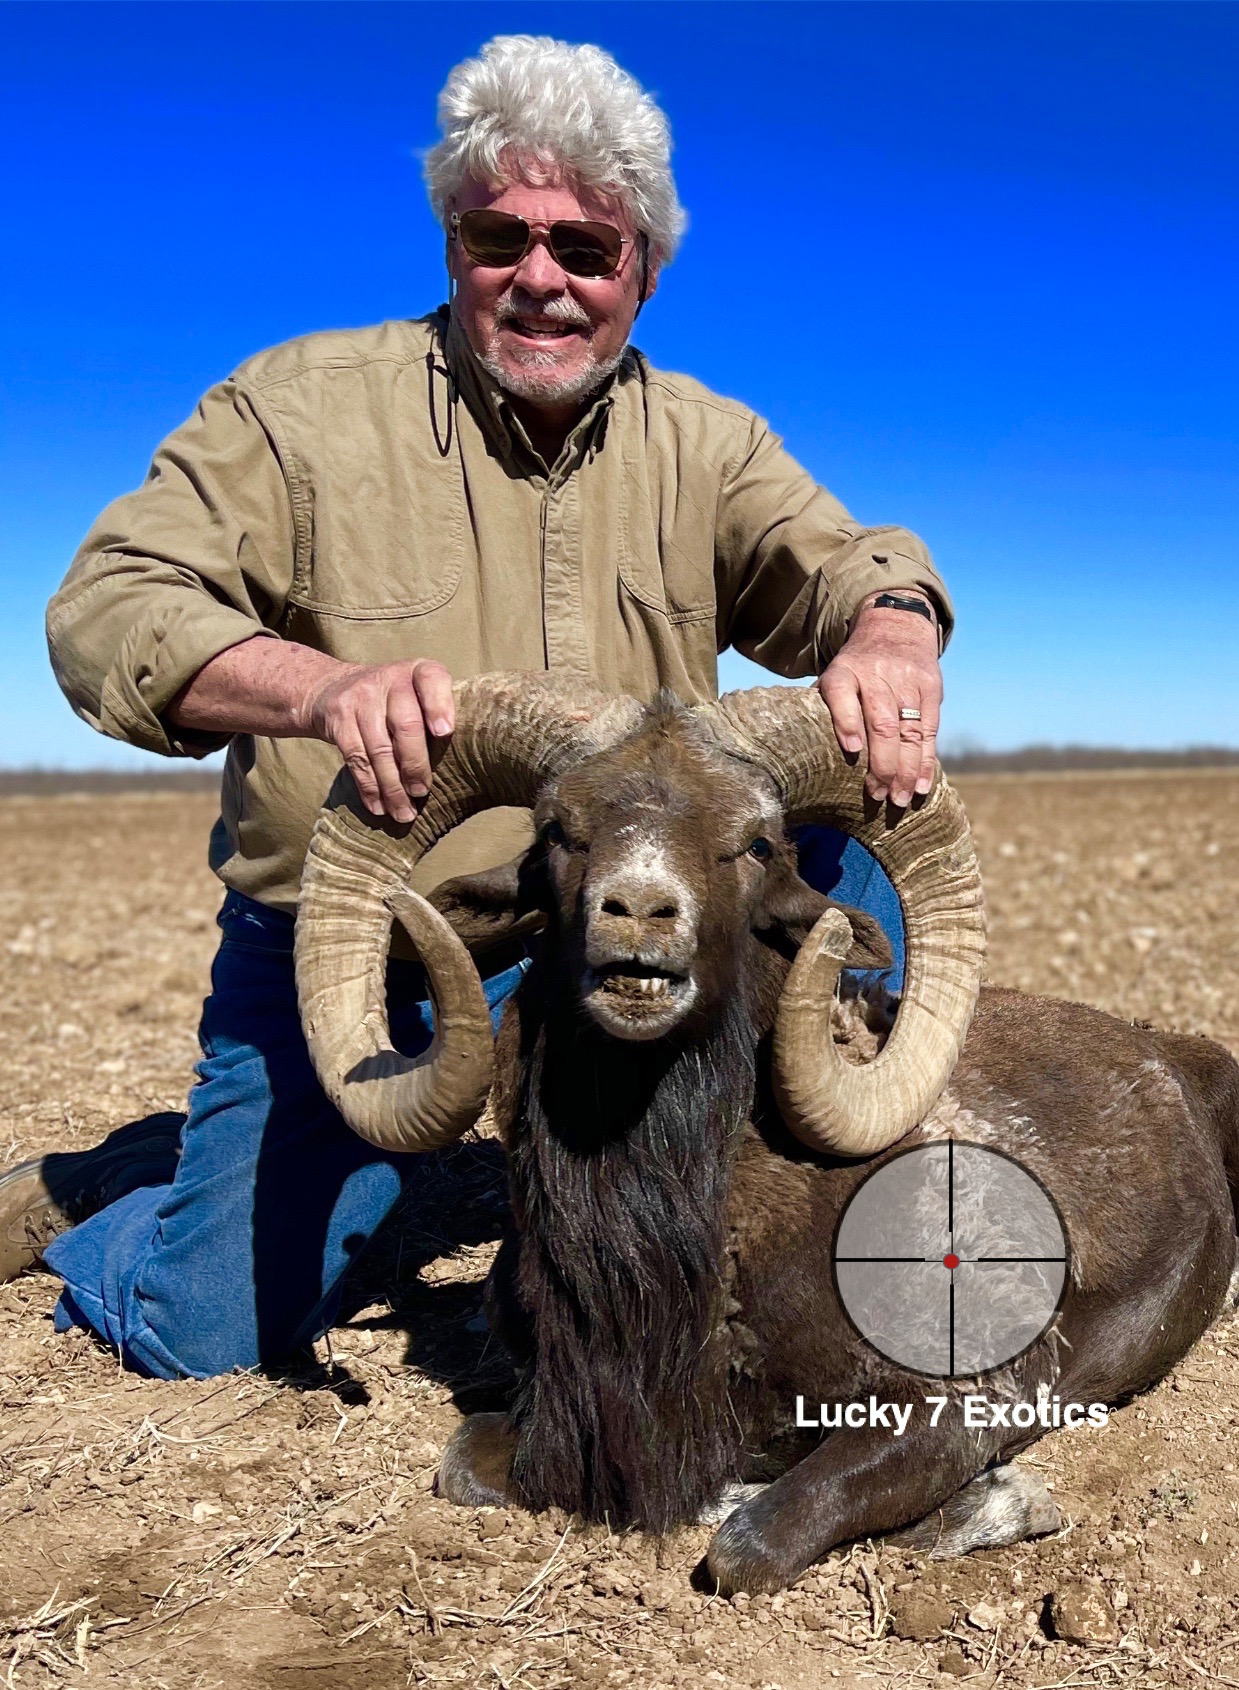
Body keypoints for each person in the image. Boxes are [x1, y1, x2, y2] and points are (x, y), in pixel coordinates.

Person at [1, 35, 952, 1378]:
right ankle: (125, 1188)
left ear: (645, 270)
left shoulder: (709, 443)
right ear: (453, 239)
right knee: (214, 1329)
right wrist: (321, 688)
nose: (542, 277)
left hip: (603, 915)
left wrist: (892, 635)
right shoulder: (300, 409)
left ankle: (819, 1164)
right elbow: (105, 604)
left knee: (848, 825)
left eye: (586, 245)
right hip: (360, 936)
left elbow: (853, 566)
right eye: (500, 233)